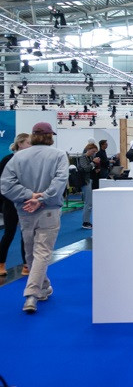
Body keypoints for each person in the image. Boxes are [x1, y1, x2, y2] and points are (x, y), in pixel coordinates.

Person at [1, 122, 69, 313]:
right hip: (48, 210)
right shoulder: (59, 155)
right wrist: (41, 198)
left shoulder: (17, 157)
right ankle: (31, 294)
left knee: (31, 252)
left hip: (25, 210)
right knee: (41, 253)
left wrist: (29, 196)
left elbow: (6, 185)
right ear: (50, 136)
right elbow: (60, 182)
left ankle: (44, 288)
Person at [0, 133, 31, 276]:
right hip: (10, 202)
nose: (31, 146)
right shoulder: (7, 160)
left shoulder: (30, 161)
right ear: (20, 144)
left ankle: (26, 264)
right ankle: (1, 263)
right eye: (28, 143)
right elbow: (2, 183)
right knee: (9, 234)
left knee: (27, 235)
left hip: (26, 201)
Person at [76, 142, 98, 229]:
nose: (94, 153)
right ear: (88, 149)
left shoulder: (89, 157)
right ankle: (85, 222)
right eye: (93, 151)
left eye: (95, 152)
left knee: (89, 202)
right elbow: (86, 168)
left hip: (89, 180)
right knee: (88, 203)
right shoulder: (83, 158)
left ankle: (86, 221)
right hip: (85, 181)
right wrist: (93, 163)